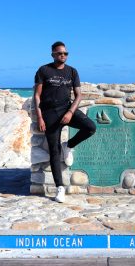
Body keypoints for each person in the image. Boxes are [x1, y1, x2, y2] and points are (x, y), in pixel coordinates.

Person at [33, 41, 96, 203]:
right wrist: (40, 117)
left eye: (66, 53)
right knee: (53, 151)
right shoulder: (44, 70)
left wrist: (70, 112)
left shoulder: (72, 72)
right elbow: (37, 96)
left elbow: (78, 95)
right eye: (60, 53)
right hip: (49, 114)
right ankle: (60, 188)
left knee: (90, 127)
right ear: (53, 54)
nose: (63, 56)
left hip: (67, 109)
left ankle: (68, 146)